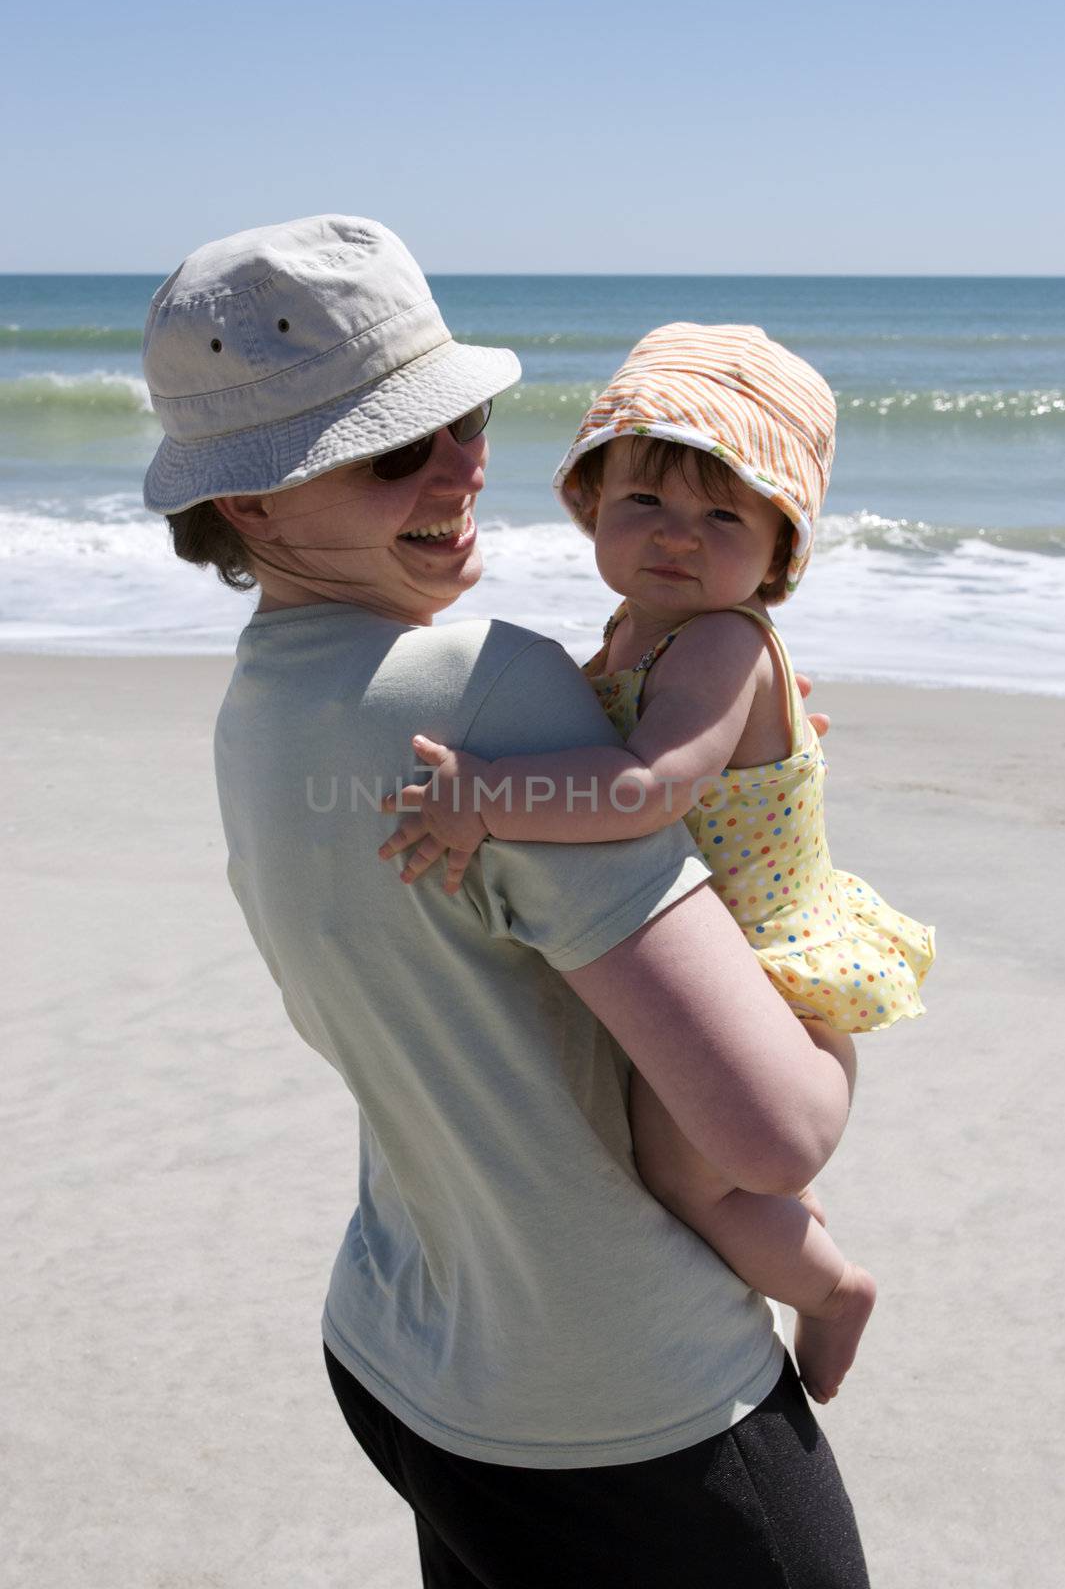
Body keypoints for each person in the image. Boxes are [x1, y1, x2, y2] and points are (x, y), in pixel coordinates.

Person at [142, 214, 869, 1587]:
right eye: (395, 450)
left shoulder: (259, 707)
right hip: (621, 1408)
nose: (462, 464)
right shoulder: (495, 699)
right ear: (250, 502)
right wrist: (826, 999)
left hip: (406, 1355)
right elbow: (770, 1135)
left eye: (463, 416)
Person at [379, 323, 935, 1406]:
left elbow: (645, 786)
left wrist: (487, 801)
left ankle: (829, 1291)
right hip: (719, 964)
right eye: (646, 503)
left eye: (723, 515)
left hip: (767, 980)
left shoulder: (722, 643)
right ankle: (794, 1235)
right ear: (592, 503)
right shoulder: (640, 629)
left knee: (686, 1179)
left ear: (778, 550)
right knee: (680, 1163)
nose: (677, 537)